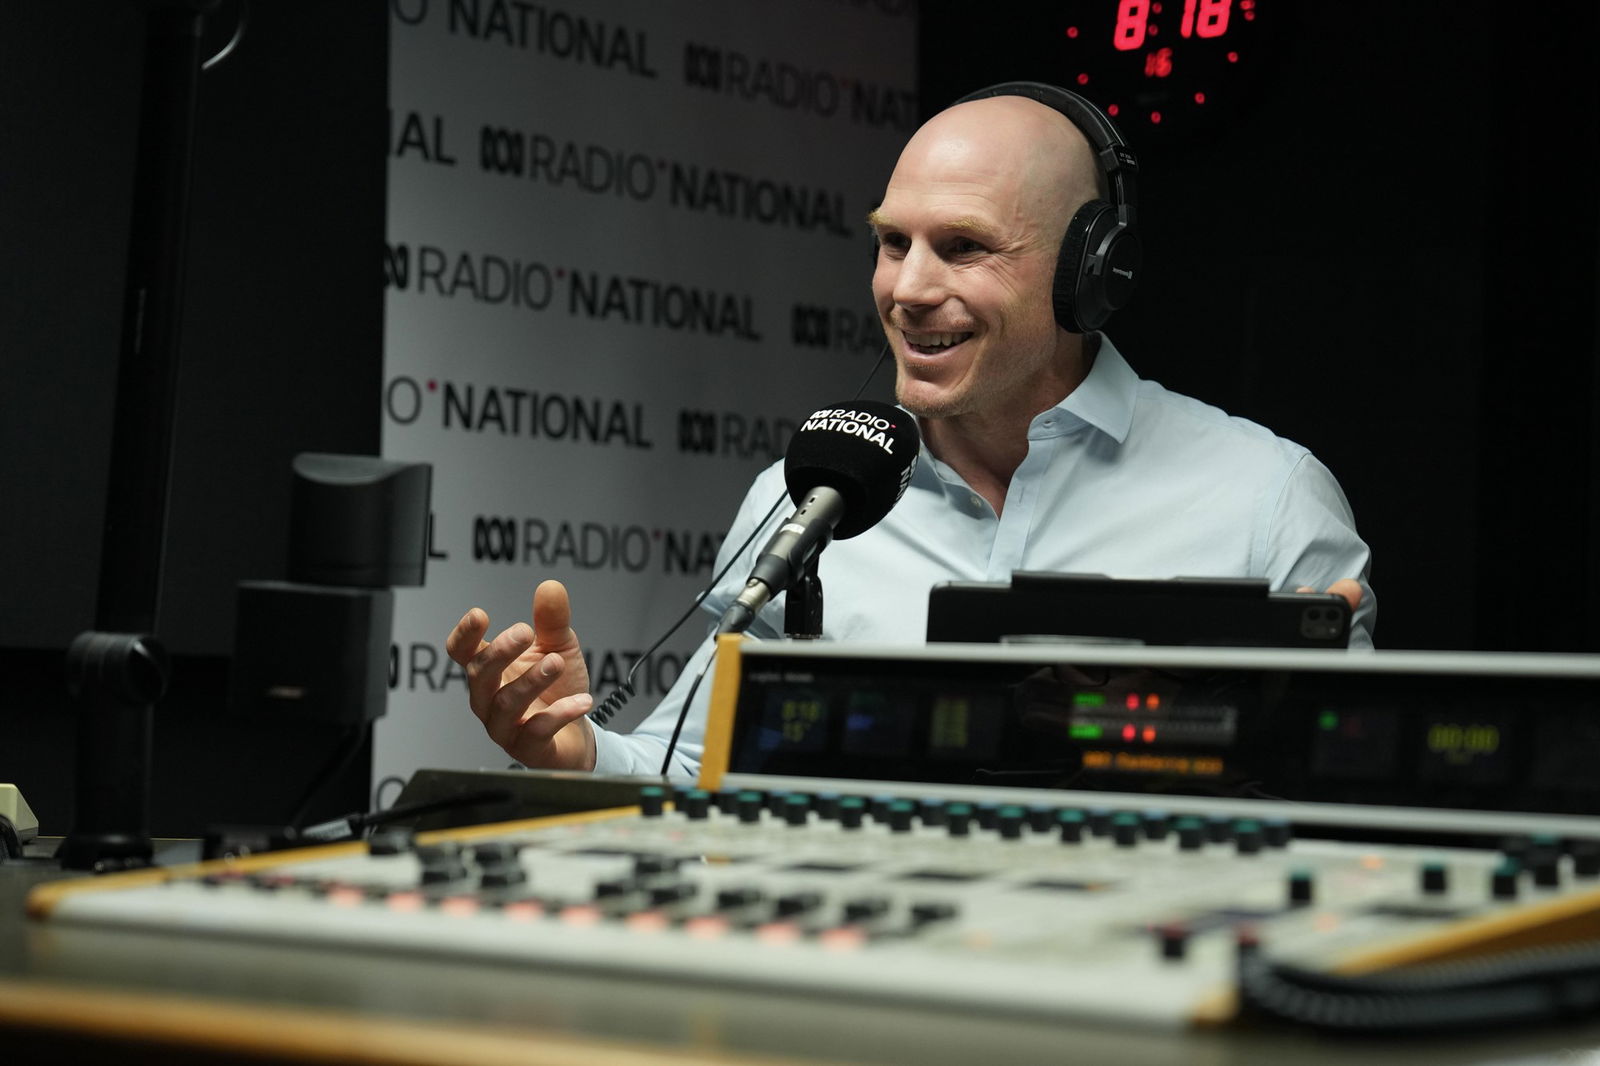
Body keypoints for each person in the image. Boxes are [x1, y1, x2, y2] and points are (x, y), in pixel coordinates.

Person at [446, 85, 1374, 779]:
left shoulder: (1265, 499)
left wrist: (1200, 735)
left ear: (1090, 273)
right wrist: (578, 752)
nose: (908, 289)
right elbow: (701, 771)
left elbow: (1356, 804)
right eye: (894, 243)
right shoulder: (806, 501)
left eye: (963, 247)